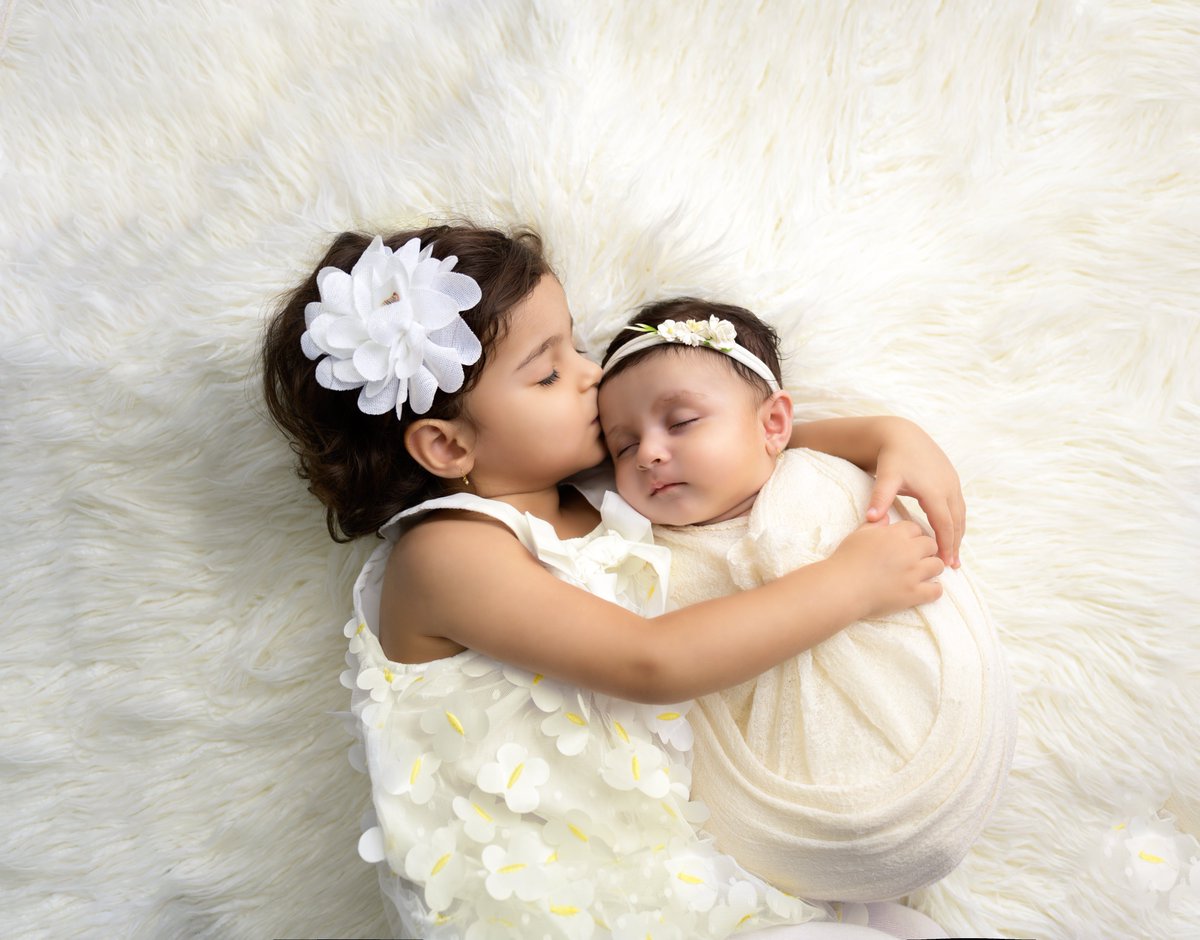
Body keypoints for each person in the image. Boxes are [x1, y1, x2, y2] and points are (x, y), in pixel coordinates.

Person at [261, 224, 959, 939]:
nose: (592, 375)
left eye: (575, 346)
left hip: (664, 878)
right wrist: (846, 587)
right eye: (548, 373)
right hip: (536, 909)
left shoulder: (597, 494)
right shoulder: (447, 555)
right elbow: (650, 661)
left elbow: (729, 447)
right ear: (448, 445)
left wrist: (883, 435)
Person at [597, 299, 1017, 906]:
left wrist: (889, 433)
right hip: (788, 827)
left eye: (681, 421)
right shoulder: (641, 554)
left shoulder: (826, 478)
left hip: (935, 766)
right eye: (622, 446)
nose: (649, 454)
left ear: (773, 426)